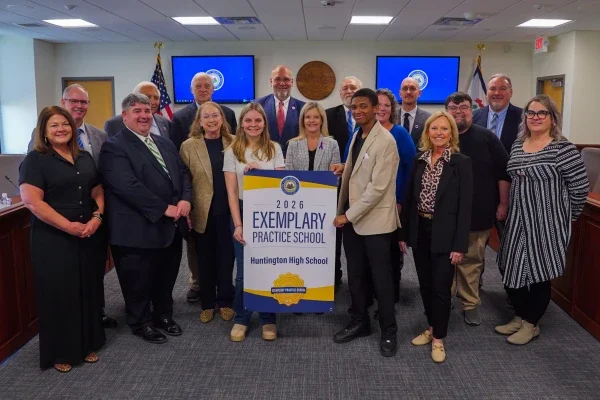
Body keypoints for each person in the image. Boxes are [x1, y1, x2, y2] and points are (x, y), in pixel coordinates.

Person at [495, 94, 589, 345]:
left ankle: (531, 324)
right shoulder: (518, 143)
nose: (535, 117)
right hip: (517, 219)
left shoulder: (563, 148)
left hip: (547, 223)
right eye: (531, 113)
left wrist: (566, 218)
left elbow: (580, 188)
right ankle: (520, 315)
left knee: (538, 272)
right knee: (509, 266)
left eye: (541, 113)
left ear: (552, 118)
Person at [99, 93, 192, 344]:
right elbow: (127, 186)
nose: (143, 115)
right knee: (137, 281)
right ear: (125, 115)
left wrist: (185, 199)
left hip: (169, 227)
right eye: (137, 111)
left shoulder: (165, 143)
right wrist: (165, 208)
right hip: (136, 229)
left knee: (166, 275)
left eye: (147, 110)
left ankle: (163, 315)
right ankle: (140, 322)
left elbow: (183, 173)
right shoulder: (114, 147)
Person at [19, 106, 106, 372]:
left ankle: (88, 344)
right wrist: (68, 226)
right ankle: (61, 352)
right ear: (43, 131)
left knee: (88, 288)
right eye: (54, 125)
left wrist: (97, 218)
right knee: (60, 294)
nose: (61, 129)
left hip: (88, 233)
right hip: (54, 238)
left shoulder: (85, 157)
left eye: (65, 124)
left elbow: (98, 190)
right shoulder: (36, 159)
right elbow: (32, 202)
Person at [26, 84, 116, 329]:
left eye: (84, 102)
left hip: (91, 226)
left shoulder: (97, 139)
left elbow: (99, 183)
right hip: (56, 231)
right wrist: (68, 226)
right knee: (62, 288)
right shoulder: (37, 154)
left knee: (91, 279)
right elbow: (32, 197)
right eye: (73, 101)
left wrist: (97, 218)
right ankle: (64, 345)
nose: (79, 106)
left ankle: (95, 320)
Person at [400, 111, 473, 363]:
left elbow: (465, 208)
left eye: (444, 129)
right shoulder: (419, 158)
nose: (439, 133)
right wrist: (404, 234)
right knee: (426, 285)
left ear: (451, 133)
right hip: (421, 230)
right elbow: (409, 199)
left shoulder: (461, 162)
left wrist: (459, 244)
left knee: (441, 288)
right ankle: (431, 328)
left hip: (446, 234)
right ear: (427, 132)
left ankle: (439, 338)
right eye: (434, 129)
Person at [332, 88, 400, 358]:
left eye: (363, 106)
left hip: (375, 222)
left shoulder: (386, 141)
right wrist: (342, 168)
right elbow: (356, 171)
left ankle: (389, 330)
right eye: (353, 107)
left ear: (376, 108)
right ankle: (360, 321)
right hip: (353, 221)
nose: (357, 110)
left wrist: (346, 215)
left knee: (381, 280)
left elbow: (378, 188)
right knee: (356, 276)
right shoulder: (358, 136)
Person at [445, 92, 509, 326]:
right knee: (445, 260)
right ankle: (447, 299)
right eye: (453, 107)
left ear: (472, 110)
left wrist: (503, 203)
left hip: (479, 211)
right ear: (446, 111)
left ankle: (470, 304)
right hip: (445, 214)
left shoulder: (487, 138)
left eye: (464, 107)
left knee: (472, 261)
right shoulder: (439, 137)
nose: (459, 112)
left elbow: (504, 172)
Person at [172, 72, 236, 303]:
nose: (211, 120)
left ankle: (226, 296)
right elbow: (182, 176)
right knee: (203, 255)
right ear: (199, 121)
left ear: (222, 118)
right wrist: (185, 203)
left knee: (227, 255)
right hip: (200, 207)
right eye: (206, 116)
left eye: (215, 116)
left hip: (229, 208)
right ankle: (206, 298)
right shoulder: (188, 145)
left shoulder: (234, 142)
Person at [224, 102, 285, 342]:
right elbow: (231, 192)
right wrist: (238, 224)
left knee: (269, 266)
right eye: (248, 121)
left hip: (270, 212)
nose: (253, 125)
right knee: (244, 271)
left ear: (264, 124)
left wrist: (261, 172)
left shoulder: (274, 148)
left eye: (257, 121)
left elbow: (283, 185)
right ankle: (242, 317)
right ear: (241, 124)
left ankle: (269, 319)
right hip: (242, 210)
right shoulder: (232, 151)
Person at [325, 76, 362, 289]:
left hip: (360, 187)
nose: (349, 90)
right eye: (345, 88)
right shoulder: (329, 115)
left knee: (356, 238)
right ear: (340, 93)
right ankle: (334, 277)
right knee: (333, 234)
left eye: (353, 87)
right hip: (334, 185)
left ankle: (358, 280)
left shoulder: (368, 118)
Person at [256, 65, 306, 155]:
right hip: (264, 158)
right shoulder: (258, 105)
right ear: (271, 82)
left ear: (292, 82)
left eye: (286, 79)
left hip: (294, 160)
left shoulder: (303, 108)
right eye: (277, 79)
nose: (282, 83)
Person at [473, 74, 523, 153]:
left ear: (510, 93)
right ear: (486, 93)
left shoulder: (524, 118)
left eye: (502, 89)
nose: (497, 93)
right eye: (492, 88)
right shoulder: (473, 117)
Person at [286, 102, 341, 171]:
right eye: (307, 117)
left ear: (322, 120)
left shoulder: (332, 144)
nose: (312, 120)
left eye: (316, 117)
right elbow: (289, 175)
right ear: (302, 121)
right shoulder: (293, 144)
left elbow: (334, 175)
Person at [104, 81, 171, 138]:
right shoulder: (114, 124)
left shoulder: (165, 122)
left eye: (156, 98)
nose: (152, 102)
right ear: (134, 98)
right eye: (148, 97)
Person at [398, 77, 431, 147]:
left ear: (419, 93)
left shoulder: (428, 118)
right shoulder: (390, 117)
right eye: (405, 88)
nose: (408, 92)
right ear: (400, 93)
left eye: (412, 88)